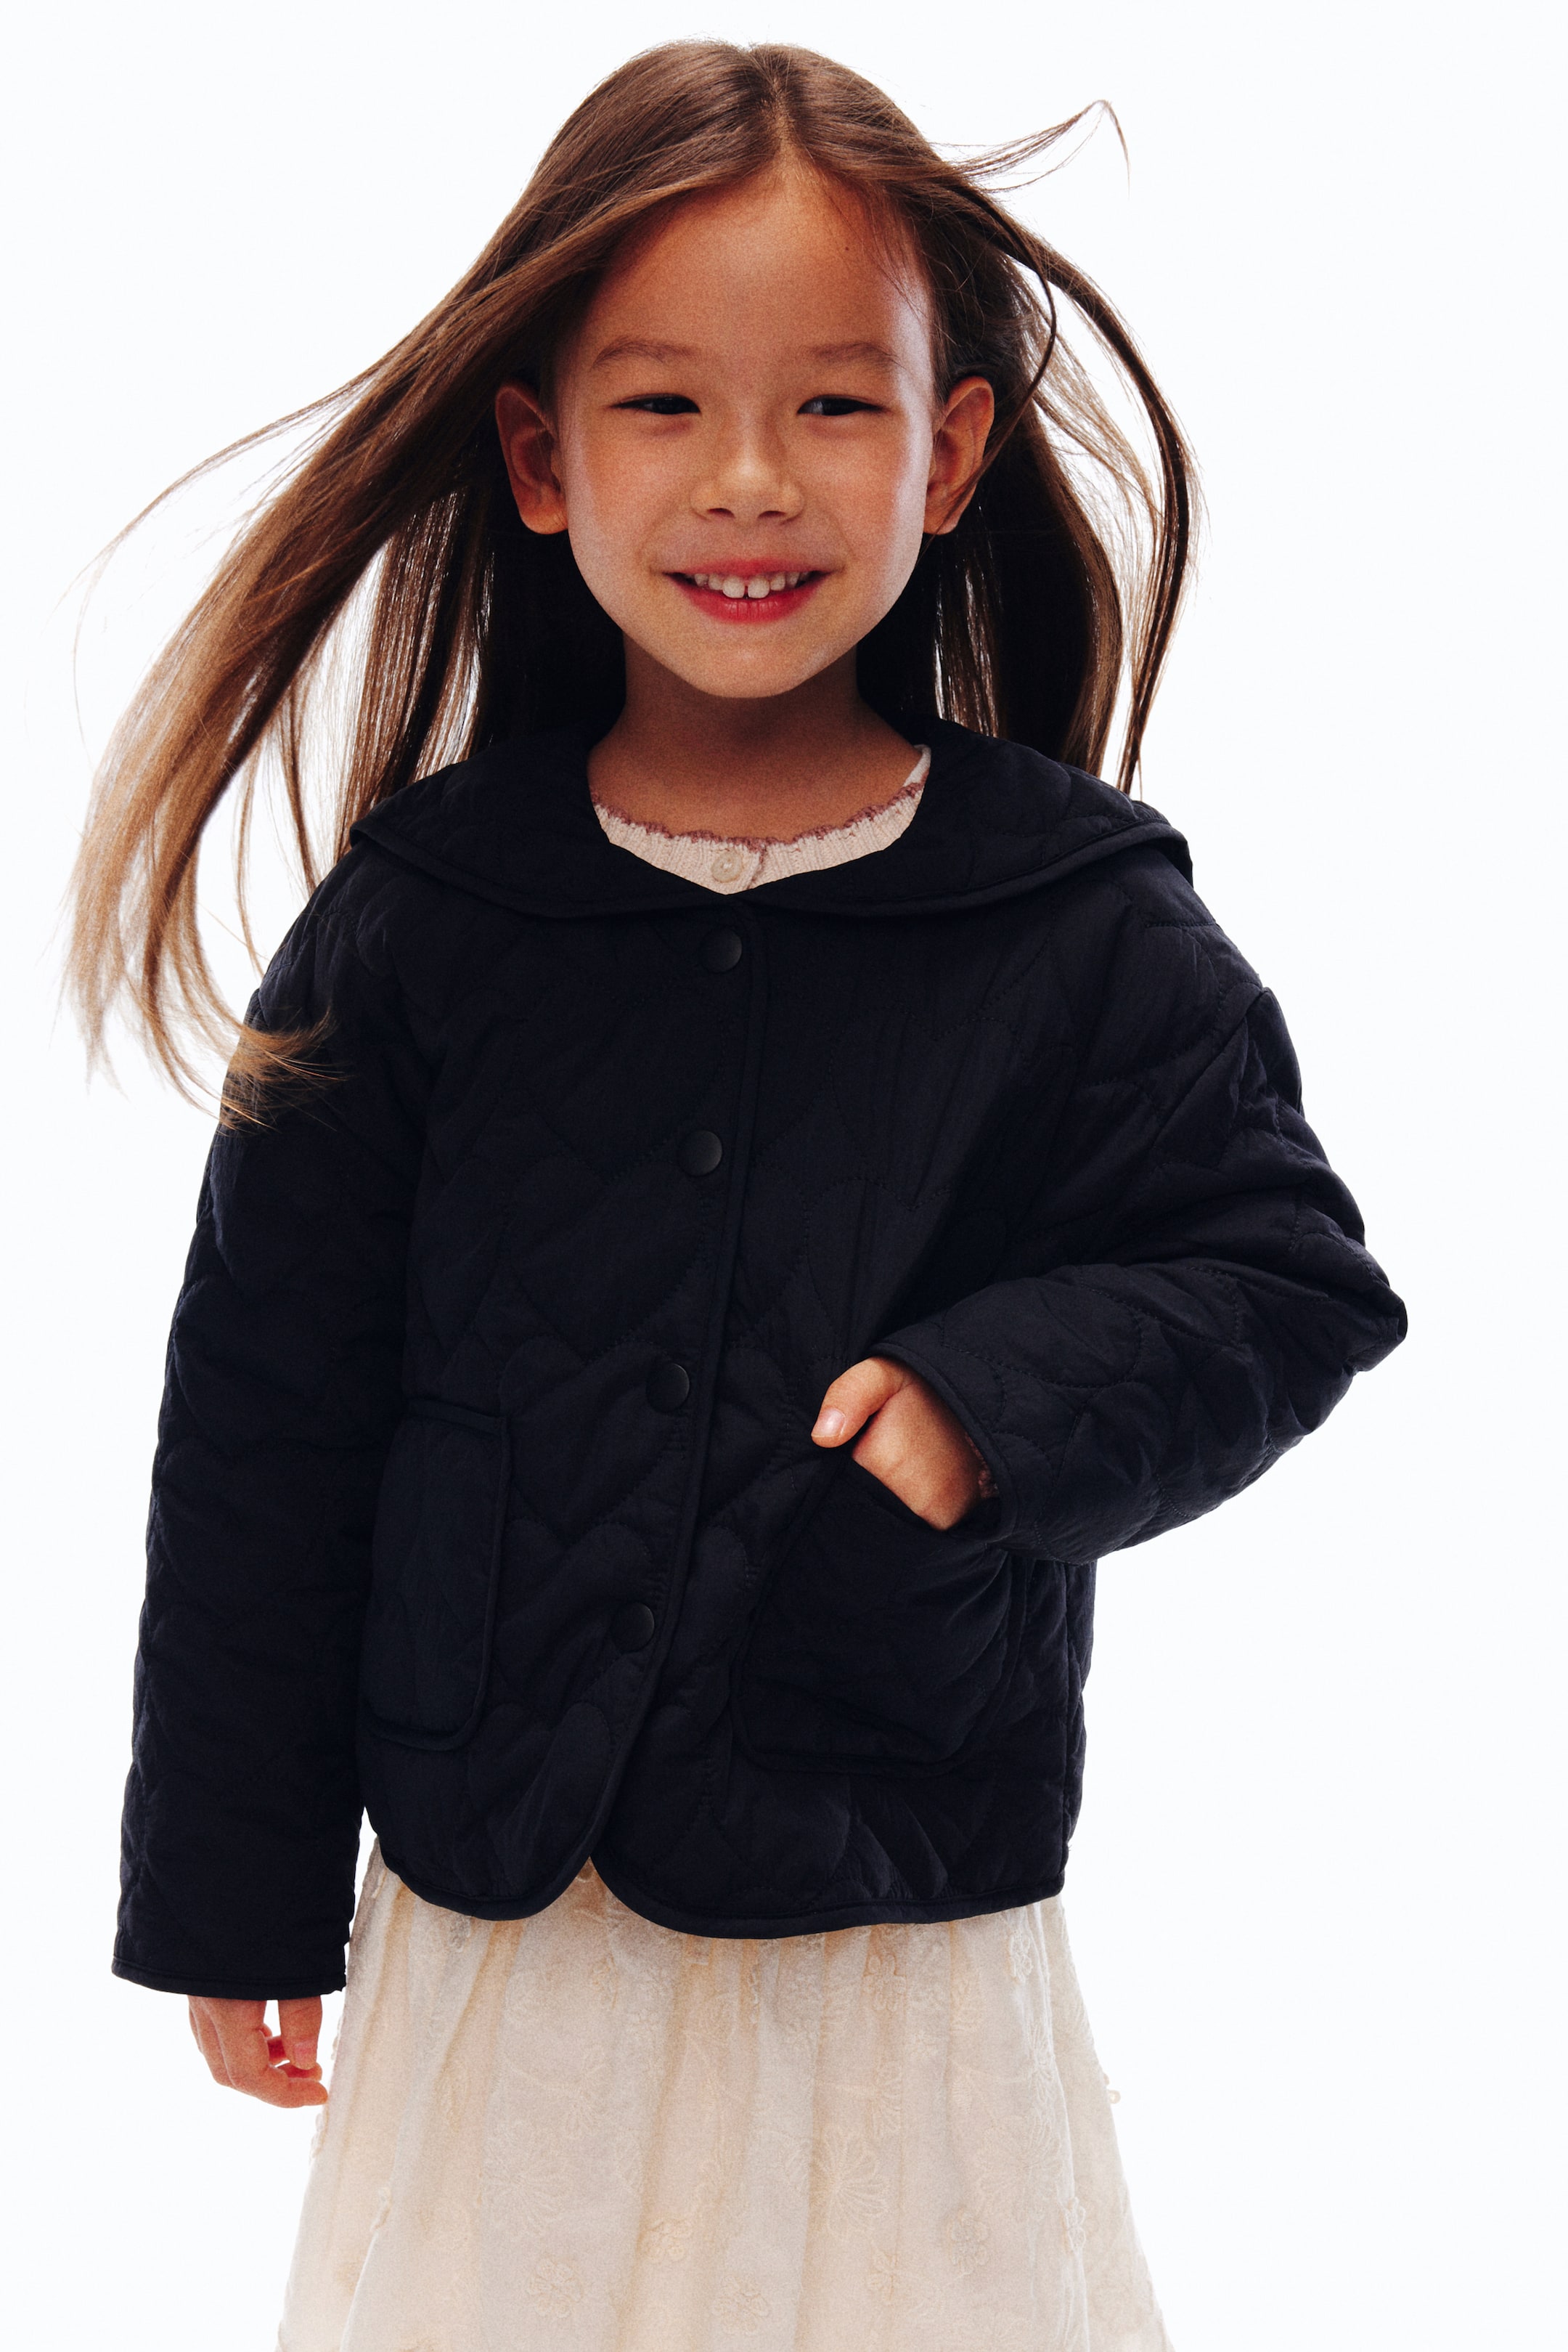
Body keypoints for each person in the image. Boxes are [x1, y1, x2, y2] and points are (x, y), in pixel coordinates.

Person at [70, 41, 1405, 2352]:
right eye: (667, 406)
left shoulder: (1080, 922)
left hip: (897, 1901)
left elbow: (1288, 1279)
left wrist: (991, 1405)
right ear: (542, 460)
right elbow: (269, 1433)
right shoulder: (424, 923)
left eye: (836, 408)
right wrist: (230, 1890)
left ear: (952, 455)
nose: (751, 479)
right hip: (510, 1923)